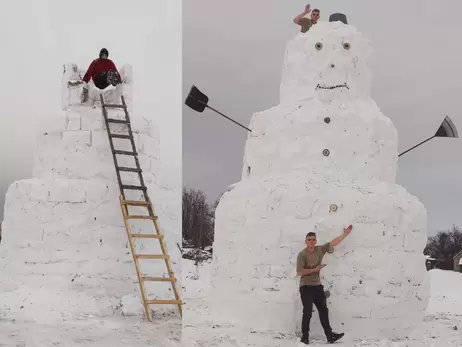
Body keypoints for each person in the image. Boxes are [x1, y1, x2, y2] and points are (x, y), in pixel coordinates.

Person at [296, 225, 353, 344]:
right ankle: (305, 337)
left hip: (317, 286)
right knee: (307, 311)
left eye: (313, 239)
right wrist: (315, 269)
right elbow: (300, 271)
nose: (311, 242)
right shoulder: (302, 255)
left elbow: (333, 243)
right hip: (306, 287)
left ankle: (330, 335)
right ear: (306, 241)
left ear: (316, 241)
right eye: (309, 240)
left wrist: (345, 234)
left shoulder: (320, 250)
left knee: (323, 310)